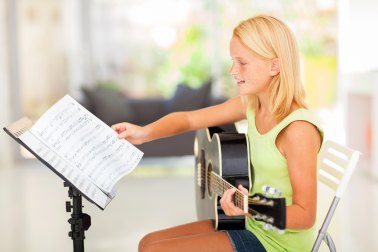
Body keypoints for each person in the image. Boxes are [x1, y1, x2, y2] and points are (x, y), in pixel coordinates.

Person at [112, 14, 323, 252]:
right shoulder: (252, 105)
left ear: (274, 66)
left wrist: (250, 207)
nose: (233, 71)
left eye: (243, 63)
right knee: (147, 243)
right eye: (233, 61)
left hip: (277, 244)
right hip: (250, 224)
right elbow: (189, 118)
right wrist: (145, 133)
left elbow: (306, 217)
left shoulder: (298, 129)